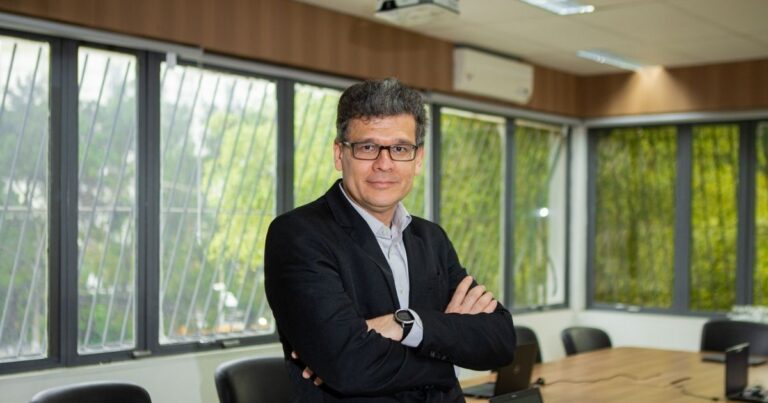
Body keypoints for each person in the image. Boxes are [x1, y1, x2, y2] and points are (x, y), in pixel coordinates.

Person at [264, 77, 516, 402]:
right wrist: (445, 354)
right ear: (340, 154)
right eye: (367, 147)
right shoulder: (298, 236)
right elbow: (348, 365)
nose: (384, 164)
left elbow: (501, 340)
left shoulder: (432, 239)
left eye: (399, 149)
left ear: (418, 158)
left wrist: (405, 324)